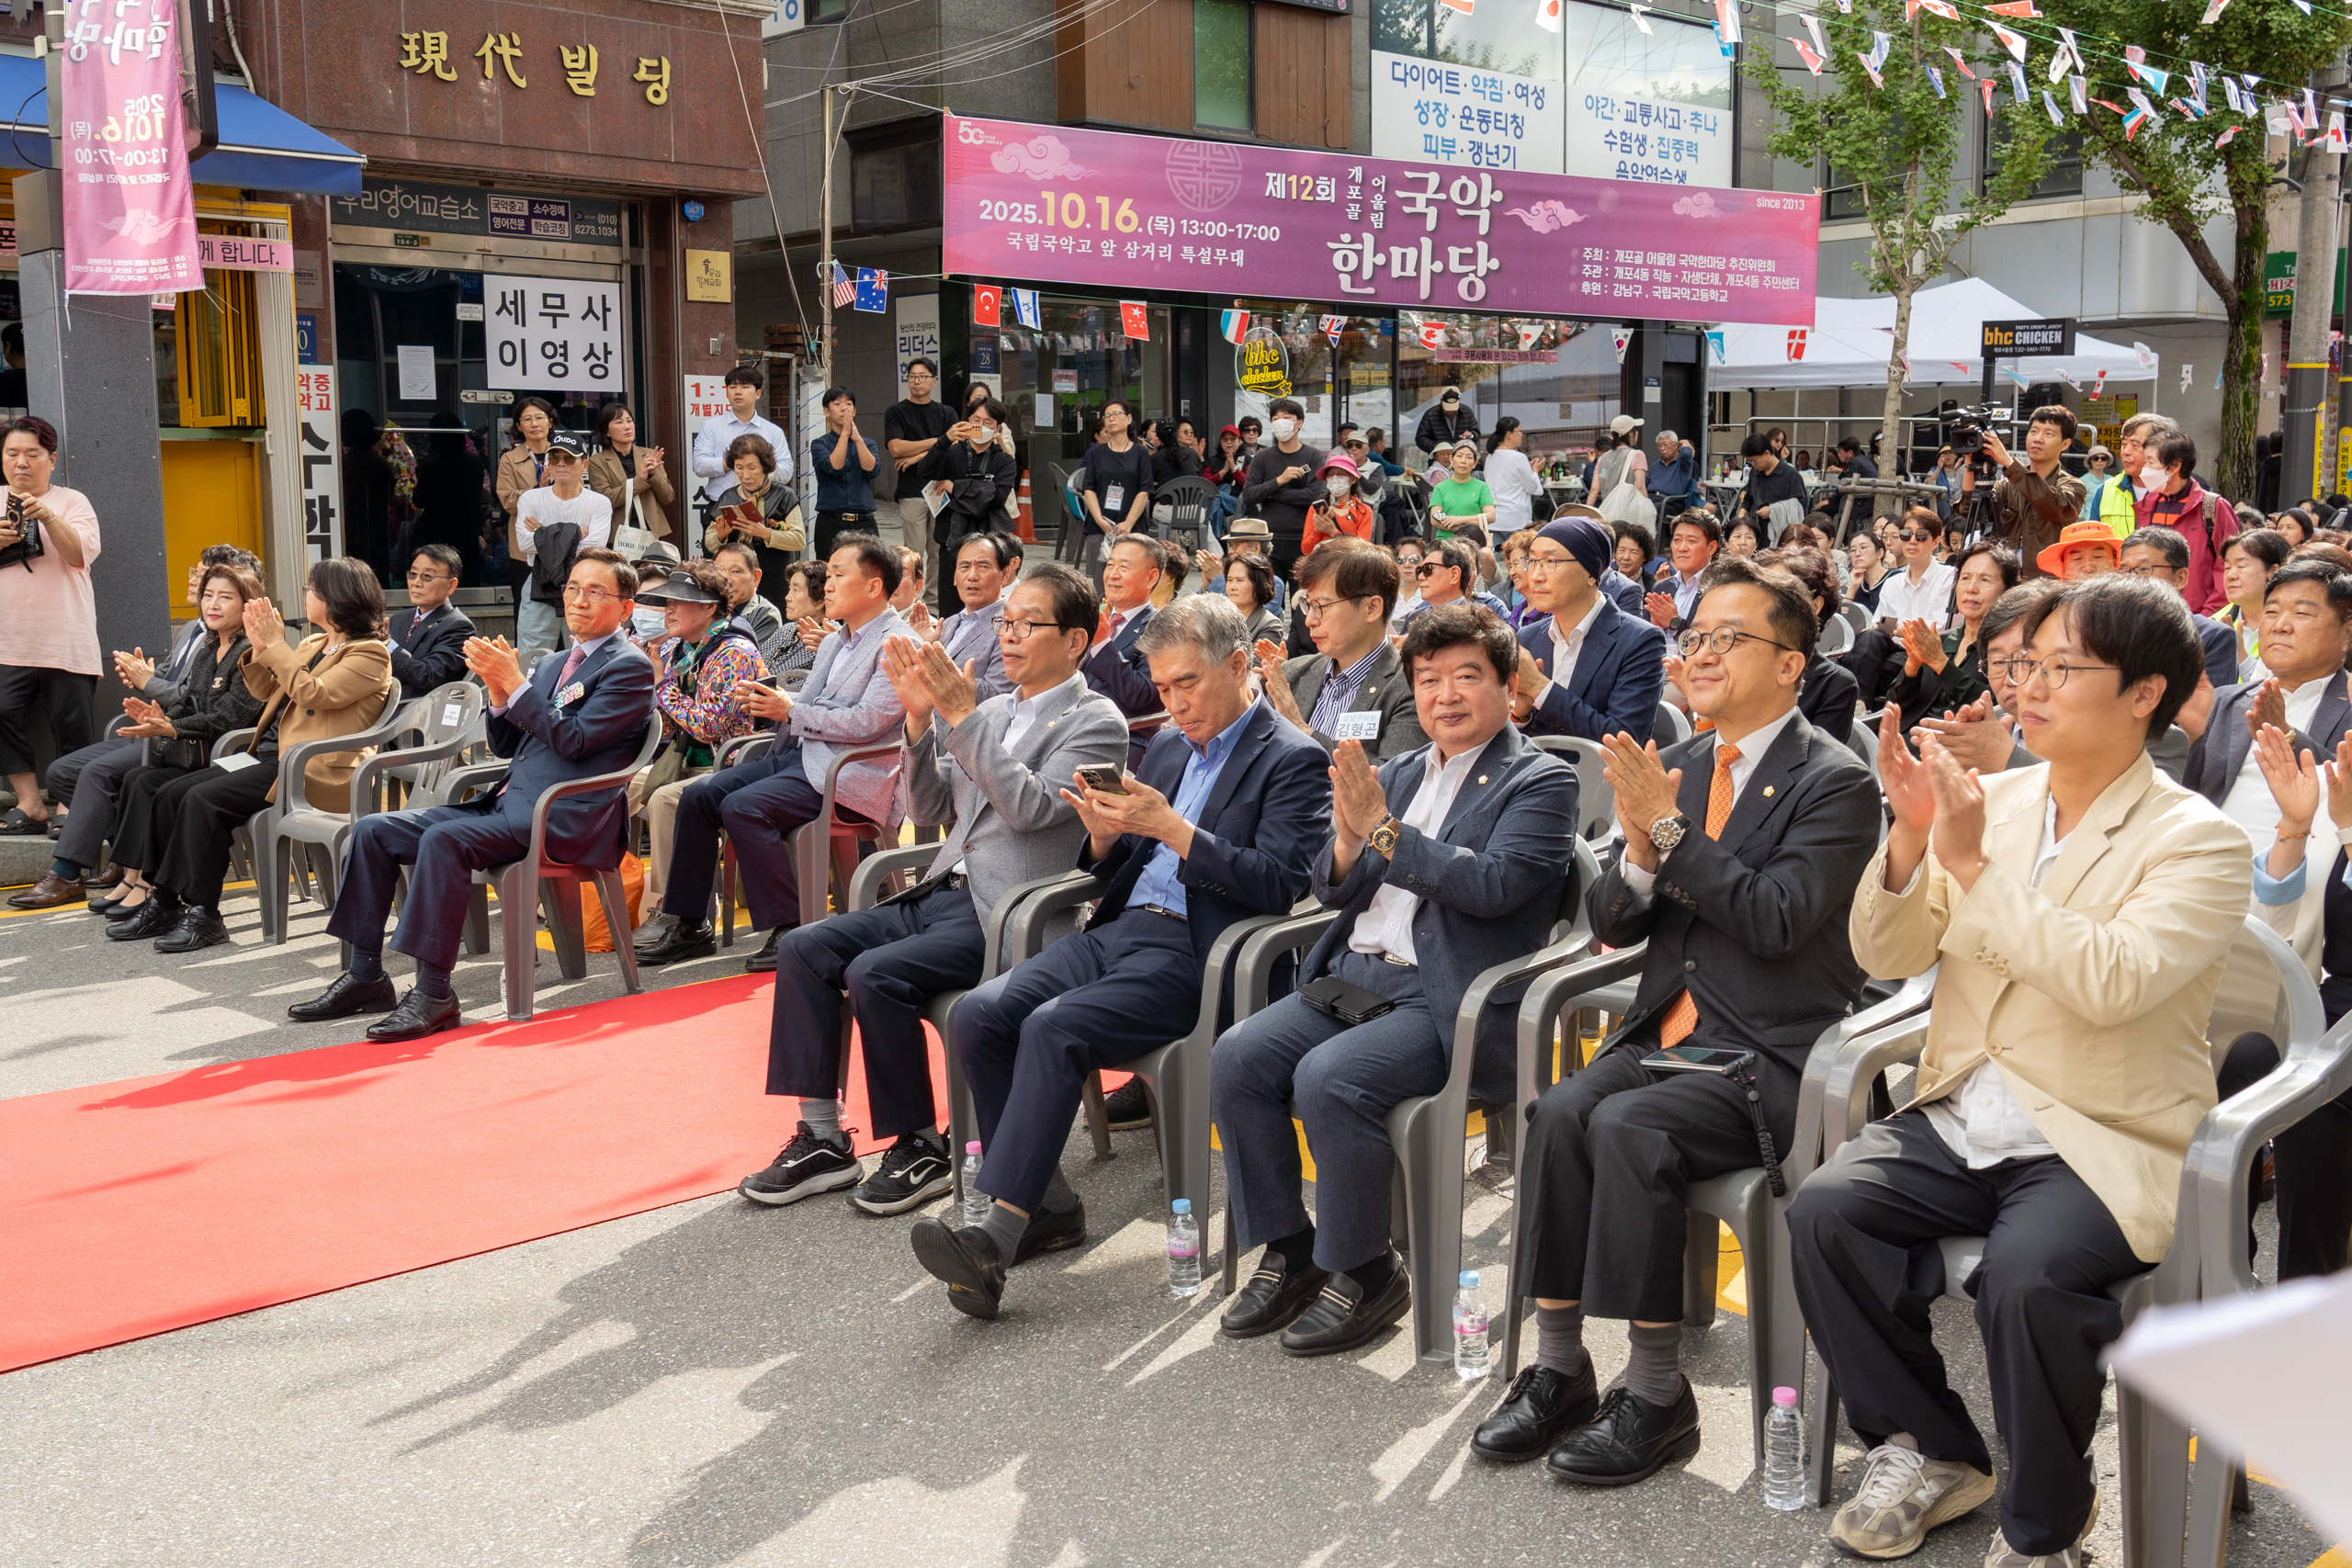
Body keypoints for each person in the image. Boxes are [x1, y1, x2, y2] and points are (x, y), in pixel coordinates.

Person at [1794, 574, 2247, 1568]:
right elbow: (1885, 956)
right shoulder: (1989, 799)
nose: (2027, 687)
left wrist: (1966, 866)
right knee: (1826, 1210)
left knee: (2028, 1278)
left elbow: (2112, 980)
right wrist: (1911, 842)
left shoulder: (2199, 839)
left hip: (2098, 1124)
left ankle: (2047, 1527)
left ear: (2143, 694)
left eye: (2061, 668)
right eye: (2023, 666)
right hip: (1968, 1105)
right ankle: (1928, 1449)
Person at [1476, 555, 1881, 1481]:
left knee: (1625, 1123)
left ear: (1790, 663)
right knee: (1561, 1112)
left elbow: (1776, 921)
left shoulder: (1835, 782)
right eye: (1693, 638)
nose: (1699, 654)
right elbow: (1617, 925)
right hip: (1668, 1036)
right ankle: (1560, 1366)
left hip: (1768, 1053)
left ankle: (1657, 1393)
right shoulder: (1682, 764)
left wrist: (1665, 832)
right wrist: (1639, 851)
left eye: (1727, 639)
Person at [906, 592, 1330, 1320]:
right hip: (1122, 927)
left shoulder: (1292, 758)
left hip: (1206, 951)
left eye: (1187, 684)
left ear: (1238, 666)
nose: (1175, 704)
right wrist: (1105, 832)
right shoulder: (1165, 745)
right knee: (981, 1012)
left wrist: (1175, 829)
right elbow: (1116, 862)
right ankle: (1041, 1200)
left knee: (1054, 1025)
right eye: (1162, 688)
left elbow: (1283, 883)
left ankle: (995, 1234)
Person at [1214, 604, 1577, 1351]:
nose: (1445, 695)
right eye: (1429, 679)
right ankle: (1289, 1245)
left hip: (1451, 997)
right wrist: (1349, 841)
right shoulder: (1404, 770)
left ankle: (1368, 1269)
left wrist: (1382, 829)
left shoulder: (1541, 780)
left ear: (1509, 688)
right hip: (1356, 975)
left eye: (1467, 677)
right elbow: (1336, 888)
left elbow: (1494, 884)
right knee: (1238, 1056)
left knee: (1329, 1077)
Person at [748, 565, 1131, 1211]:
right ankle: (820, 1137)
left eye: (1026, 625)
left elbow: (1031, 809)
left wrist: (960, 713)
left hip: (1007, 909)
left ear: (1075, 641)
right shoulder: (995, 708)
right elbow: (928, 803)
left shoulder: (1097, 722)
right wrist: (921, 724)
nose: (1008, 637)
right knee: (805, 947)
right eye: (1006, 624)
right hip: (940, 890)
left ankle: (921, 1143)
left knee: (875, 972)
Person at [294, 549, 653, 1036]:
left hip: (564, 818)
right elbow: (508, 744)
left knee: (444, 841)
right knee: (374, 829)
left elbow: (577, 742)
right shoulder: (551, 664)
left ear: (625, 608)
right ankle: (365, 974)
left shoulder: (628, 667)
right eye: (572, 588)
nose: (579, 600)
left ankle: (435, 992)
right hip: (510, 805)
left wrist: (517, 686)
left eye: (596, 592)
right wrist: (501, 697)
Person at [634, 536, 909, 971]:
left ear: (873, 587)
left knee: (743, 808)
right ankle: (689, 923)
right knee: (699, 796)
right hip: (804, 755)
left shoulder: (897, 643)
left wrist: (791, 709)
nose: (828, 586)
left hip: (849, 772)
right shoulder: (839, 639)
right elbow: (812, 706)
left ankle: (791, 926)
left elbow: (871, 722)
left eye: (838, 575)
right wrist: (780, 701)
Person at [110, 559, 396, 954]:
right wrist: (261, 648)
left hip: (309, 769)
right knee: (171, 791)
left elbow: (313, 694)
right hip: (270, 758)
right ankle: (164, 901)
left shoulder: (370, 654)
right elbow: (267, 691)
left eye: (312, 590)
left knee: (201, 800)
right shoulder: (314, 643)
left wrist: (276, 645)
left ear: (336, 599)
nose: (306, 596)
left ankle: (205, 915)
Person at [57, 563, 264, 917]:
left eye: (225, 598)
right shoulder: (208, 647)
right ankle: (132, 876)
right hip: (198, 750)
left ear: (248, 605)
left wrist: (170, 728)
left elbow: (230, 717)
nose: (212, 604)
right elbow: (188, 702)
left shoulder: (250, 652)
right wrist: (159, 717)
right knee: (139, 779)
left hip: (231, 755)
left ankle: (149, 885)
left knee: (155, 785)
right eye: (208, 596)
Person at [2224, 722, 2352, 1282]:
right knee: (2244, 1056)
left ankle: (2309, 1286)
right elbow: (2278, 922)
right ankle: (2224, 1266)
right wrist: (2297, 826)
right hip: (2328, 1008)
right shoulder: (2334, 785)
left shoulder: (2344, 804)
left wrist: (2347, 825)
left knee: (2319, 1109)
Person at [626, 560, 766, 920]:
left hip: (731, 764)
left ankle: (676, 908)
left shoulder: (733, 651)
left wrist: (661, 685)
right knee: (617, 786)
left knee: (664, 800)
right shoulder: (678, 649)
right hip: (687, 759)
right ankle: (603, 892)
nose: (668, 609)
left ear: (708, 607)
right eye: (667, 602)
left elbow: (708, 727)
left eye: (679, 601)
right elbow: (673, 728)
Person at [2182, 558, 2352, 845]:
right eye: (2271, 612)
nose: (2280, 626)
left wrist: (2286, 735)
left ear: (2346, 632)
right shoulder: (2224, 699)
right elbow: (2183, 792)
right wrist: (2190, 737)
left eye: (2302, 614)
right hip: (2207, 865)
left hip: (2311, 876)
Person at [0, 416, 99, 838]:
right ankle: (29, 802)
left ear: (51, 460)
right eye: (12, 454)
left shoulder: (73, 501)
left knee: (72, 727)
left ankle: (71, 807)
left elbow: (80, 555)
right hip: (7, 641)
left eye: (32, 454)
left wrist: (49, 517)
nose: (22, 463)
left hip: (65, 637)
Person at [1257, 539, 1426, 764]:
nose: (1309, 621)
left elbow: (1387, 780)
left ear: (1372, 608)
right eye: (1308, 605)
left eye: (1321, 607)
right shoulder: (1290, 675)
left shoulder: (1412, 686)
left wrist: (1300, 731)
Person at [1511, 516, 1668, 745]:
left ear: (1591, 573)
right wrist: (1521, 715)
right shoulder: (1528, 637)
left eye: (1550, 562)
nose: (1535, 576)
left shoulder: (1639, 640)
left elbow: (1625, 740)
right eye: (1533, 562)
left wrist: (1540, 689)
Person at [1890, 542, 2018, 735]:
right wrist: (1912, 667)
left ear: (2008, 592)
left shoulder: (2011, 649)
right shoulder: (1939, 642)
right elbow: (1894, 707)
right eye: (1965, 578)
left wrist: (1940, 663)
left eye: (1985, 580)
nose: (1971, 588)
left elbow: (2000, 705)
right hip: (1909, 741)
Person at [512, 430, 611, 661]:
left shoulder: (599, 502)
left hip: (583, 583)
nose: (561, 464)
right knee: (532, 656)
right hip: (538, 580)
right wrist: (576, 532)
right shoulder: (531, 498)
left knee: (582, 650)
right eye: (555, 458)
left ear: (585, 464)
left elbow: (593, 547)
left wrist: (543, 533)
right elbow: (525, 543)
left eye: (569, 458)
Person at [1753, 546, 1861, 747]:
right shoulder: (1740, 663)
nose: (1764, 602)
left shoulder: (1835, 684)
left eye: (1780, 592)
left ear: (1814, 606)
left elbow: (1817, 763)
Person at [2119, 525, 2241, 691]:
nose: (2132, 579)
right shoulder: (2108, 633)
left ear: (2180, 578)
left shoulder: (2212, 638)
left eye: (2144, 569)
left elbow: (2212, 710)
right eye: (2126, 570)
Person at [1082, 535, 1170, 763]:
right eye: (1110, 565)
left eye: (1124, 567)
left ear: (1152, 577)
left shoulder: (1162, 627)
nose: (1113, 574)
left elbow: (1141, 695)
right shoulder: (1096, 614)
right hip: (1072, 726)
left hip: (1122, 738)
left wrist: (1102, 643)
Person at [2135, 431, 2233, 614]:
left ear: (2174, 466)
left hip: (2199, 618)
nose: (2144, 469)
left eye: (2150, 462)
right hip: (2152, 616)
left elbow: (2228, 567)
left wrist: (2206, 619)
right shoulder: (2147, 506)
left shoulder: (2212, 507)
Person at [916, 397, 1020, 570]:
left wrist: (956, 487)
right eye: (976, 420)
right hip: (951, 539)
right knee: (949, 595)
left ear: (997, 428)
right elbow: (924, 471)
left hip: (989, 543)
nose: (981, 425)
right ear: (968, 420)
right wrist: (945, 440)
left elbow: (997, 497)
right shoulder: (951, 452)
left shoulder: (1005, 461)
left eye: (988, 422)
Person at [706, 434, 801, 600]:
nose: (746, 475)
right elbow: (709, 543)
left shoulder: (784, 495)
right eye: (739, 467)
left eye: (752, 467)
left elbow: (799, 540)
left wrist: (764, 533)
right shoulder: (728, 497)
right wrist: (721, 535)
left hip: (774, 579)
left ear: (765, 466)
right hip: (734, 582)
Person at [1242, 399, 1327, 576]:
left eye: (1287, 418)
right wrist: (1279, 480)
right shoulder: (1262, 457)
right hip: (1269, 538)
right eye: (1275, 419)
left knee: (1301, 601)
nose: (1280, 422)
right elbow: (1249, 495)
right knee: (1270, 599)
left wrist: (1273, 494)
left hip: (1303, 537)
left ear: (1299, 423)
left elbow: (1312, 496)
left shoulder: (1314, 456)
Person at [1079, 397, 1155, 586]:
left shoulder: (1140, 453)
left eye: (1116, 414)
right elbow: (1089, 489)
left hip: (1132, 526)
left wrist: (1128, 523)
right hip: (1100, 525)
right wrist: (1099, 519)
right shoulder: (1097, 453)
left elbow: (1144, 490)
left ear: (1129, 419)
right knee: (1101, 582)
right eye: (1107, 416)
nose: (1111, 419)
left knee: (1131, 580)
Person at [387, 542, 476, 702]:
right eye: (413, 574)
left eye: (427, 576)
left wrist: (387, 644)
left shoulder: (459, 626)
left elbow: (428, 676)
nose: (416, 582)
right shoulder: (398, 619)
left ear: (451, 585)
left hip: (423, 713)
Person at [694, 364, 789, 508]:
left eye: (744, 387)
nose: (737, 392)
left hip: (763, 506)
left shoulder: (773, 431)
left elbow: (787, 472)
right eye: (732, 387)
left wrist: (760, 465)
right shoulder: (711, 426)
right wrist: (732, 462)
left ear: (757, 394)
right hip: (720, 507)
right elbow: (699, 466)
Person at [586, 400, 673, 550]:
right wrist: (640, 479)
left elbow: (668, 497)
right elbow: (606, 499)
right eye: (619, 422)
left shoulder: (650, 455)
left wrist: (653, 475)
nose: (627, 426)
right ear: (607, 431)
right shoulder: (597, 462)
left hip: (652, 533)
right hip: (619, 536)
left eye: (629, 421)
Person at [808, 387, 879, 560]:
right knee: (827, 572)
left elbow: (873, 470)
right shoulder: (820, 444)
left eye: (848, 404)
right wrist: (845, 434)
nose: (843, 408)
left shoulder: (868, 443)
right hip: (831, 521)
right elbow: (834, 467)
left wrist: (857, 439)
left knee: (869, 570)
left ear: (854, 411)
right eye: (837, 404)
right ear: (826, 411)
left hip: (864, 521)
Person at [2211, 527, 2291, 679]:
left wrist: (2241, 658)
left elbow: (2289, 687)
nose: (2231, 575)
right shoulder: (2215, 622)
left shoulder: (2292, 625)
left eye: (2241, 566)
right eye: (2227, 567)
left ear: (2273, 571)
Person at [709, 539, 792, 672]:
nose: (727, 580)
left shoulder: (765, 614)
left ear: (756, 577)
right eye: (720, 573)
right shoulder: (709, 609)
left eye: (735, 572)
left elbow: (746, 665)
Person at [1874, 507, 1957, 631]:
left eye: (1921, 535)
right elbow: (1879, 626)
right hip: (1891, 648)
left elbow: (1941, 627)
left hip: (1930, 648)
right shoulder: (1891, 584)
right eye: (1906, 535)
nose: (1912, 541)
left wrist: (1899, 629)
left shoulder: (1949, 577)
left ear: (1935, 542)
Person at [2094, 412, 2175, 536]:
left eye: (2135, 445)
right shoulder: (2105, 490)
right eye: (2124, 444)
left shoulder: (2178, 493)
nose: (2126, 452)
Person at [1405, 538, 1510, 626]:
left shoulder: (1484, 621)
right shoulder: (1414, 618)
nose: (1421, 577)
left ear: (1454, 574)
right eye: (1420, 571)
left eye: (1428, 569)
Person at [1644, 513, 1721, 632]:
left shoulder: (1720, 590)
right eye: (1677, 540)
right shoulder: (1660, 587)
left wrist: (1675, 623)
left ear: (1711, 548)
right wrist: (1655, 630)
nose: (1682, 548)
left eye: (1691, 541)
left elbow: (1715, 639)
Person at [1734, 432, 1807, 536]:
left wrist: (1772, 511)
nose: (1753, 465)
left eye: (1754, 461)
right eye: (1750, 462)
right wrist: (1741, 516)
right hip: (1758, 533)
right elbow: (1748, 499)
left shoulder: (1791, 475)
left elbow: (1800, 506)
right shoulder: (1755, 473)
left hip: (1783, 535)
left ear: (1767, 454)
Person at [1427, 440, 1497, 543]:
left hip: (1473, 542)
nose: (1463, 461)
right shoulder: (1440, 488)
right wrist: (1464, 529)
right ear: (1451, 459)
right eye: (1459, 456)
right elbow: (1435, 519)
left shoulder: (1482, 487)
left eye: (1469, 457)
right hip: (1446, 542)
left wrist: (1458, 520)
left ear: (1475, 463)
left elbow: (1491, 516)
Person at [1485, 418, 1547, 534]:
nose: (1522, 435)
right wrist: (1535, 471)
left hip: (1494, 518)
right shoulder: (1518, 457)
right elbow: (1534, 489)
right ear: (1509, 434)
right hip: (1515, 519)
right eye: (1519, 431)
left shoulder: (1490, 457)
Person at [768, 558, 825, 679]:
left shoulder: (829, 640)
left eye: (795, 590)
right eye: (790, 589)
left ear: (819, 600)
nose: (787, 597)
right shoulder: (785, 630)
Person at [1310, 455, 1378, 550]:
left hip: (1350, 565)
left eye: (1340, 474)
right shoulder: (1318, 508)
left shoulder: (1364, 511)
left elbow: (1362, 550)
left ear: (1353, 479)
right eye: (1330, 474)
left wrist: (1333, 532)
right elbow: (1306, 549)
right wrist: (1317, 530)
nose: (1335, 478)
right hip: (1322, 564)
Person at [1223, 552, 1283, 648]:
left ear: (1258, 584)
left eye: (1240, 580)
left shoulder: (1269, 625)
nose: (1232, 587)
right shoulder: (1219, 617)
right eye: (1229, 580)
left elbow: (1255, 662)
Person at [1415, 385, 1480, 455]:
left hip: (1462, 456)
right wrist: (1436, 447)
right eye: (1447, 410)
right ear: (1441, 401)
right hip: (1439, 459)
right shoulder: (1430, 415)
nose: (1451, 412)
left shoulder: (1467, 412)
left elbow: (1476, 432)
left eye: (1454, 409)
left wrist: (1471, 436)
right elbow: (1420, 438)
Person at [1645, 430, 1696, 521]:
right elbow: (1645, 483)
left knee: (1650, 510)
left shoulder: (1683, 463)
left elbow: (1686, 453)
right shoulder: (1656, 465)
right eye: (1660, 446)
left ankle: (1647, 535)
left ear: (1676, 445)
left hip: (1670, 503)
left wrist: (1684, 442)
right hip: (1651, 499)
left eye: (1665, 445)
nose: (1662, 449)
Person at [1612, 521, 1660, 588]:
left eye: (1633, 552)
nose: (1626, 557)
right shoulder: (1605, 578)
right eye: (1622, 550)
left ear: (1645, 556)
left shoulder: (1651, 585)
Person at [2079, 446, 2114, 525]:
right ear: (2090, 461)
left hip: (2109, 524)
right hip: (2089, 525)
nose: (2099, 461)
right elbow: (2079, 506)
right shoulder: (2082, 481)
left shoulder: (2112, 480)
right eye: (2096, 458)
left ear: (2107, 461)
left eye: (2103, 458)